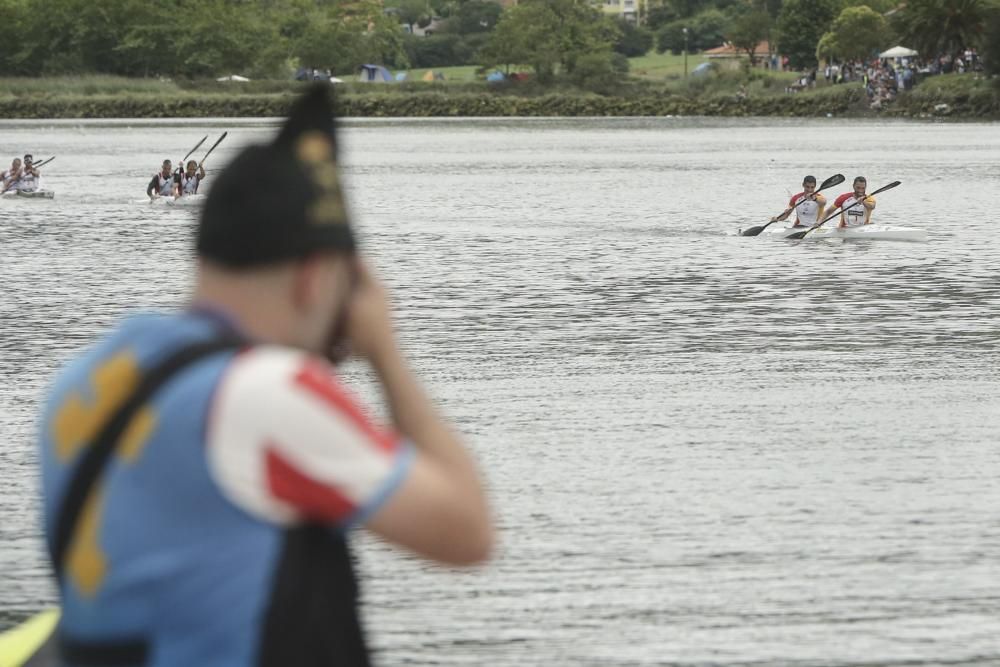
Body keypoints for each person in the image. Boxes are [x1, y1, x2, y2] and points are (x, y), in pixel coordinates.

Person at [35, 85, 493, 666]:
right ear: (314, 277)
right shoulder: (265, 394)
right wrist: (383, 351)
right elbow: (468, 532)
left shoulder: (91, 372)